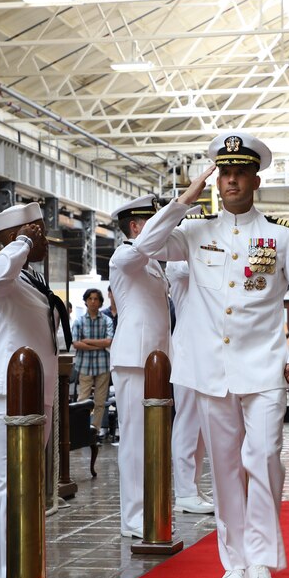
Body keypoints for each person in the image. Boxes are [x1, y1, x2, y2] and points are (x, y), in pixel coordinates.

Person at [139, 132, 289, 578]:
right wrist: (182, 201)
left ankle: (260, 562)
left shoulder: (281, 236)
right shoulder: (195, 232)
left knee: (262, 459)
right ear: (215, 180)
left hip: (263, 368)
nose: (232, 180)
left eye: (240, 172)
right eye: (225, 173)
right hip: (209, 370)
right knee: (223, 469)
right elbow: (146, 246)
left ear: (256, 179)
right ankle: (234, 561)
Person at [0, 203, 68, 578]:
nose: (45, 239)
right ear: (18, 236)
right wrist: (22, 243)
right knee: (8, 488)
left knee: (29, 489)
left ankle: (28, 571)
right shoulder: (1, 274)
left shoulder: (30, 278)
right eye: (38, 232)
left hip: (36, 394)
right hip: (7, 392)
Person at [108, 194, 173, 538]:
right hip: (134, 359)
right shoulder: (125, 256)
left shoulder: (152, 262)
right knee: (133, 440)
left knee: (153, 438)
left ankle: (149, 507)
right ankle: (132, 516)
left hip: (156, 359)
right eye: (152, 221)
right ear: (135, 227)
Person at [165, 260, 215, 515]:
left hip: (207, 352)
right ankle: (184, 491)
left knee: (200, 428)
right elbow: (184, 268)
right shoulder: (178, 260)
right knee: (187, 423)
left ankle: (193, 486)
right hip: (187, 351)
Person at [71, 288, 114, 439]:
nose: (93, 301)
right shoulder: (79, 321)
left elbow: (109, 341)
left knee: (100, 401)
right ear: (86, 301)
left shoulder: (107, 320)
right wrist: (99, 345)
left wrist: (87, 341)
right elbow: (76, 344)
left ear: (101, 302)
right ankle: (81, 430)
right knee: (83, 399)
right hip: (85, 365)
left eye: (96, 299)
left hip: (103, 365)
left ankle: (94, 431)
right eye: (90, 298)